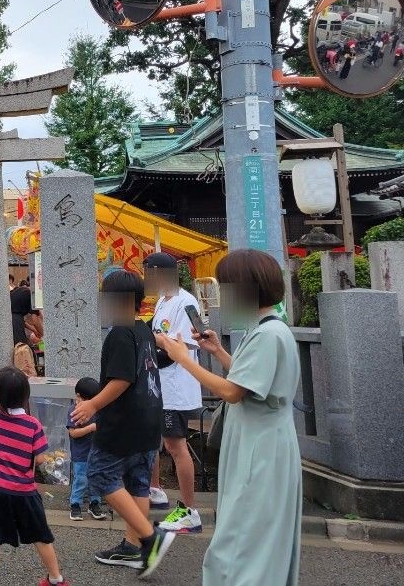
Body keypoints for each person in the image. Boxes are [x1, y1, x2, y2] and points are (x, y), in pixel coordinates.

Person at [157, 249, 302, 586]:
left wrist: (183, 357)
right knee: (253, 535)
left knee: (243, 539)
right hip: (262, 444)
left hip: (260, 450)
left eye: (227, 287)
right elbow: (248, 381)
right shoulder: (268, 328)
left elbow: (233, 392)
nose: (224, 294)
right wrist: (218, 352)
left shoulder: (267, 334)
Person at [71, 270, 175, 577]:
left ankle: (148, 537)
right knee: (137, 481)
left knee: (101, 475)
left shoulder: (119, 332)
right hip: (149, 417)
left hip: (124, 420)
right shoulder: (142, 328)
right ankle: (132, 546)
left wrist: (91, 404)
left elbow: (121, 380)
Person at [0, 366, 69, 586]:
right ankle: (56, 578)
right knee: (41, 535)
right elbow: (39, 459)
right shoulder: (32, 425)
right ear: (26, 396)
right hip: (24, 491)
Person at [143, 252, 204, 531]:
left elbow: (179, 347)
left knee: (175, 445)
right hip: (160, 383)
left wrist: (150, 338)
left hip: (177, 385)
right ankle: (155, 490)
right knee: (154, 438)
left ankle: (190, 509)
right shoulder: (162, 302)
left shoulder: (185, 301)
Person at [67, 376, 106, 521]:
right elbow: (73, 433)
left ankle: (94, 503)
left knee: (96, 479)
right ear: (78, 397)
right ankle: (75, 504)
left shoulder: (98, 411)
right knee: (81, 479)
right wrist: (91, 428)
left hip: (97, 453)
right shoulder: (74, 410)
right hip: (81, 455)